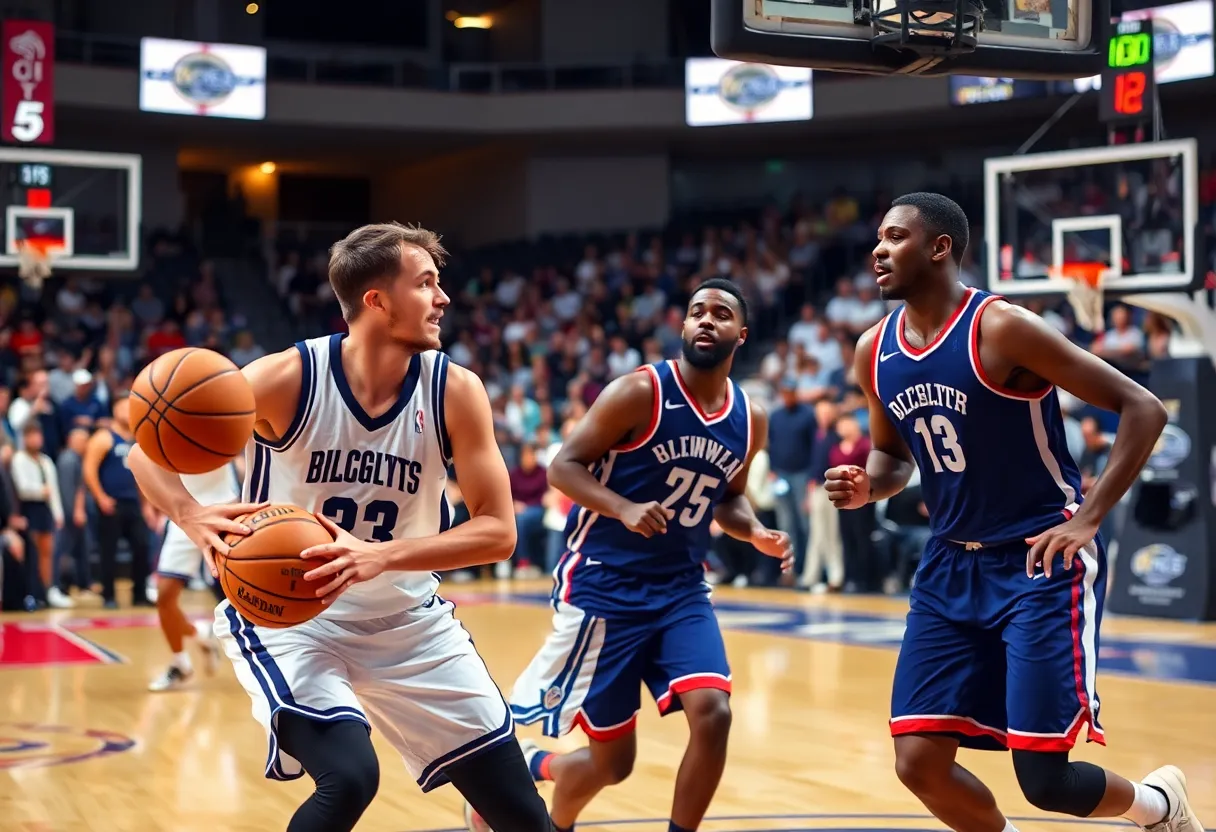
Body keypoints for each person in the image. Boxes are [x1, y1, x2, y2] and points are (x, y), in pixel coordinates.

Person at [128, 222, 552, 832]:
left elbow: (499, 532)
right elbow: (146, 449)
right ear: (376, 301)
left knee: (524, 819)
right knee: (351, 777)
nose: (443, 299)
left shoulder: (456, 391)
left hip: (409, 623)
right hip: (294, 622)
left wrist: (380, 557)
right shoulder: (289, 378)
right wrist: (191, 515)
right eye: (426, 284)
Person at [826, 192, 1201, 832]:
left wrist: (1087, 518)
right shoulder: (873, 350)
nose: (877, 251)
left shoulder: (1001, 328)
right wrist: (869, 485)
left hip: (1037, 559)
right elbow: (894, 459)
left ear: (939, 247)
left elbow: (1144, 408)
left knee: (1045, 780)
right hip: (949, 565)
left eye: (894, 238)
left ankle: (1160, 807)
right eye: (877, 239)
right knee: (917, 760)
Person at [481, 278, 793, 832]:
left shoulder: (752, 416)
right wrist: (622, 507)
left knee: (713, 713)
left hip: (680, 589)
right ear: (682, 325)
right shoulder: (641, 391)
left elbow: (730, 499)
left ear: (741, 335)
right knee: (614, 763)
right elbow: (563, 467)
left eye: (720, 314)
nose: (705, 320)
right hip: (606, 586)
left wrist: (756, 532)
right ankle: (537, 780)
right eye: (696, 311)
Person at [147, 462, 239, 692]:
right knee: (165, 597)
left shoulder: (228, 426)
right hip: (184, 513)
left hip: (227, 508)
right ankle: (182, 660)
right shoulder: (164, 430)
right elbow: (146, 461)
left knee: (244, 595)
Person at [83, 394, 151, 609]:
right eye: (124, 407)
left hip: (133, 503)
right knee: (108, 551)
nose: (128, 411)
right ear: (114, 409)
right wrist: (100, 497)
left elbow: (140, 476)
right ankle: (108, 596)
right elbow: (89, 469)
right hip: (111, 503)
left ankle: (139, 594)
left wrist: (146, 504)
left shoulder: (134, 439)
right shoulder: (104, 437)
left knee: (142, 546)